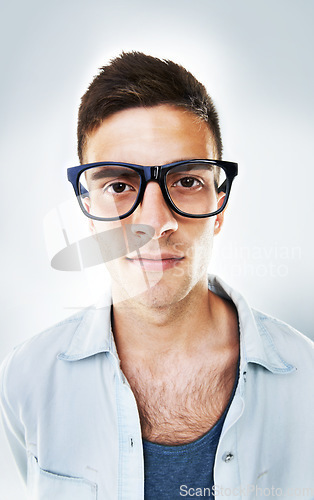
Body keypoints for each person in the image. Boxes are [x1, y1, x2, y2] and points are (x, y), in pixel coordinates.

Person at [1, 52, 313, 500]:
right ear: (88, 212)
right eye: (119, 186)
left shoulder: (308, 384)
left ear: (219, 207)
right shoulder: (24, 382)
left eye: (186, 181)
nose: (155, 221)